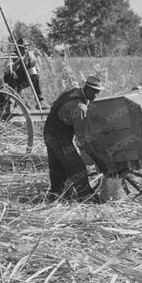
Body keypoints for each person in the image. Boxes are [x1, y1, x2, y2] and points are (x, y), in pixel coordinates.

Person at [44, 73, 104, 201]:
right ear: (87, 89)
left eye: (98, 92)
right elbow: (82, 140)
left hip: (49, 131)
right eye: (94, 92)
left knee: (57, 167)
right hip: (59, 137)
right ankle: (86, 196)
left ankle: (57, 195)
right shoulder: (80, 108)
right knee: (77, 167)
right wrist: (97, 159)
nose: (96, 95)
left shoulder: (73, 92)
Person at [10, 39, 43, 104]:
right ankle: (15, 100)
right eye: (22, 48)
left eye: (25, 47)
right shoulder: (13, 55)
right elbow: (10, 69)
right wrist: (18, 61)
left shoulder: (29, 55)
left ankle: (40, 100)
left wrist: (34, 66)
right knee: (11, 78)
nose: (24, 49)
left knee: (35, 77)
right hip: (15, 80)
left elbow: (32, 68)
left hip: (25, 78)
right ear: (18, 48)